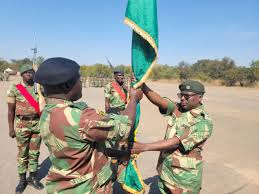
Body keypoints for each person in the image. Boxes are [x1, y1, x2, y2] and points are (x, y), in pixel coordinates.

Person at [34, 57, 143, 194]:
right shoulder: (80, 117)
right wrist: (134, 98)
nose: (81, 82)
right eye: (78, 79)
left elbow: (81, 148)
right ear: (66, 86)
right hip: (87, 188)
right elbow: (124, 126)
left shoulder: (47, 112)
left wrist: (119, 153)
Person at [131, 80, 213, 194]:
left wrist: (143, 147)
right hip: (166, 171)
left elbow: (176, 142)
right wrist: (143, 85)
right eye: (181, 95)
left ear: (200, 97)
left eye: (187, 96)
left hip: (184, 179)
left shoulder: (203, 121)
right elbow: (160, 101)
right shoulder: (178, 108)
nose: (183, 99)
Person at [7, 64, 44, 194]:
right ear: (21, 74)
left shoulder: (39, 87)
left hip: (37, 124)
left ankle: (33, 178)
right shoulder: (15, 88)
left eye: (31, 72)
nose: (29, 74)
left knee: (34, 153)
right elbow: (10, 111)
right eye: (26, 72)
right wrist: (11, 128)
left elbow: (46, 103)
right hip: (21, 125)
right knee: (23, 154)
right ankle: (22, 180)